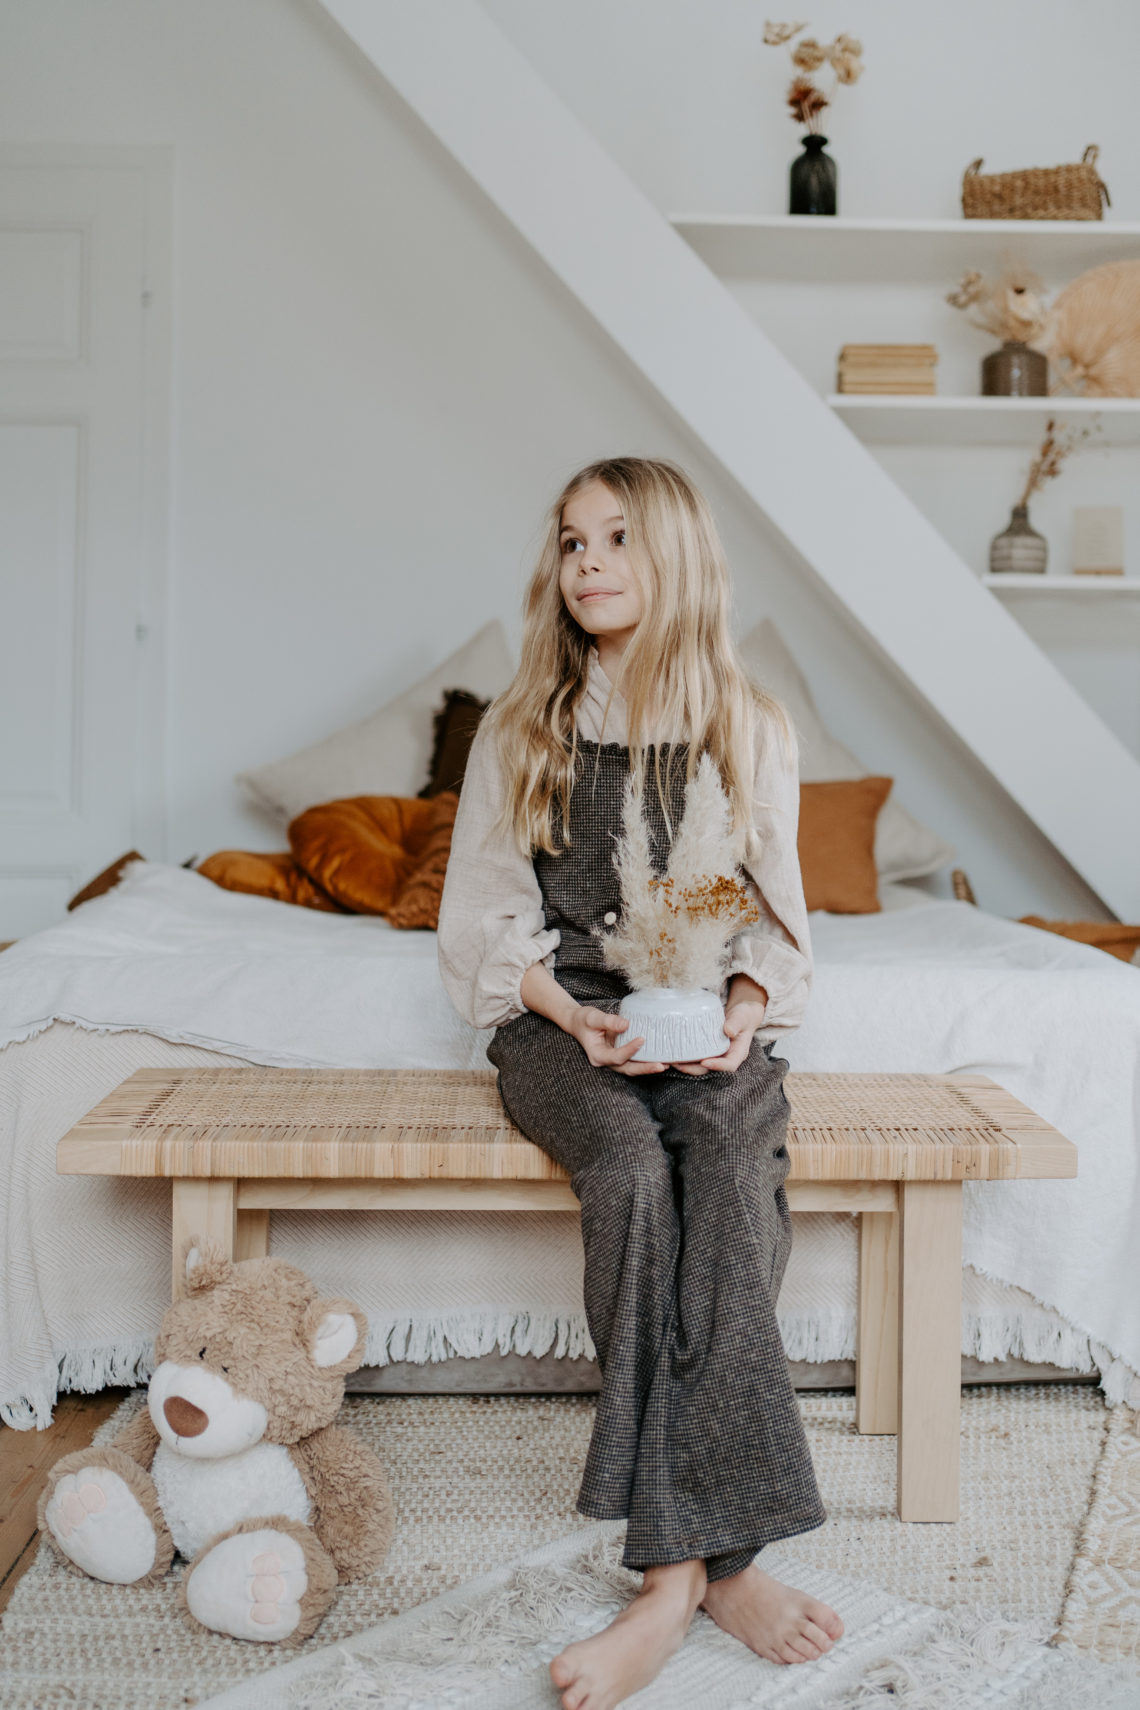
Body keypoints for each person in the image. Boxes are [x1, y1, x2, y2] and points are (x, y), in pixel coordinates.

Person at [437, 457, 843, 1710]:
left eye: (618, 538)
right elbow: (481, 921)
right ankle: (695, 1575)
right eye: (572, 541)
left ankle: (687, 1570)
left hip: (705, 1019)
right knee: (627, 1172)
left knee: (723, 1168)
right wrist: (574, 1016)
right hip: (561, 1020)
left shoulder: (749, 723)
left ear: (677, 558)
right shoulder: (524, 725)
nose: (590, 563)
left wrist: (740, 1017)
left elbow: (778, 924)